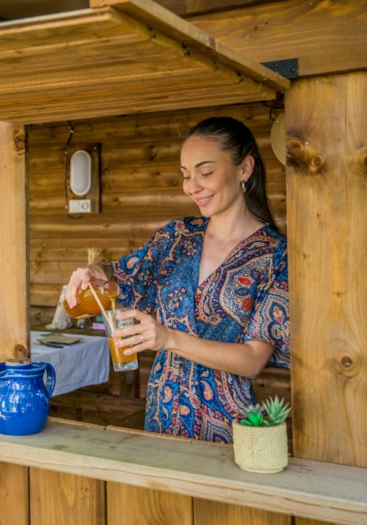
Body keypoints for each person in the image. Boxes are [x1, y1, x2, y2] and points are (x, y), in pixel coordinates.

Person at [65, 116, 290, 444]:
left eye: (206, 172)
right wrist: (96, 273)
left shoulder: (275, 255)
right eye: (186, 175)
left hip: (229, 427)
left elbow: (253, 359)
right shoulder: (176, 237)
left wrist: (168, 338)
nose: (192, 186)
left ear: (244, 169)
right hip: (162, 413)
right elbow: (120, 278)